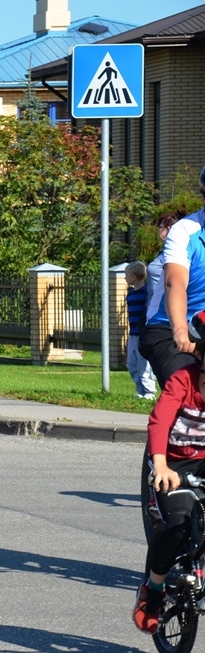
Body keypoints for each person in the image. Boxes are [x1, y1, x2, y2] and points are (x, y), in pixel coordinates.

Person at [132, 309, 205, 634]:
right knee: (176, 528)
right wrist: (159, 463)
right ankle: (154, 590)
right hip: (172, 464)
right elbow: (160, 420)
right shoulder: (183, 380)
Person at [141, 168, 205, 386]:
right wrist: (180, 330)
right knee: (189, 388)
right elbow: (174, 282)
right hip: (168, 328)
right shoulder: (185, 231)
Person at [125, 261, 156, 400]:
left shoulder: (146, 292)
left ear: (134, 277)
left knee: (144, 365)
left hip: (142, 333)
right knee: (132, 363)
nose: (125, 278)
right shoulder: (130, 293)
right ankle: (140, 390)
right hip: (132, 334)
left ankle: (149, 391)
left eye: (126, 275)